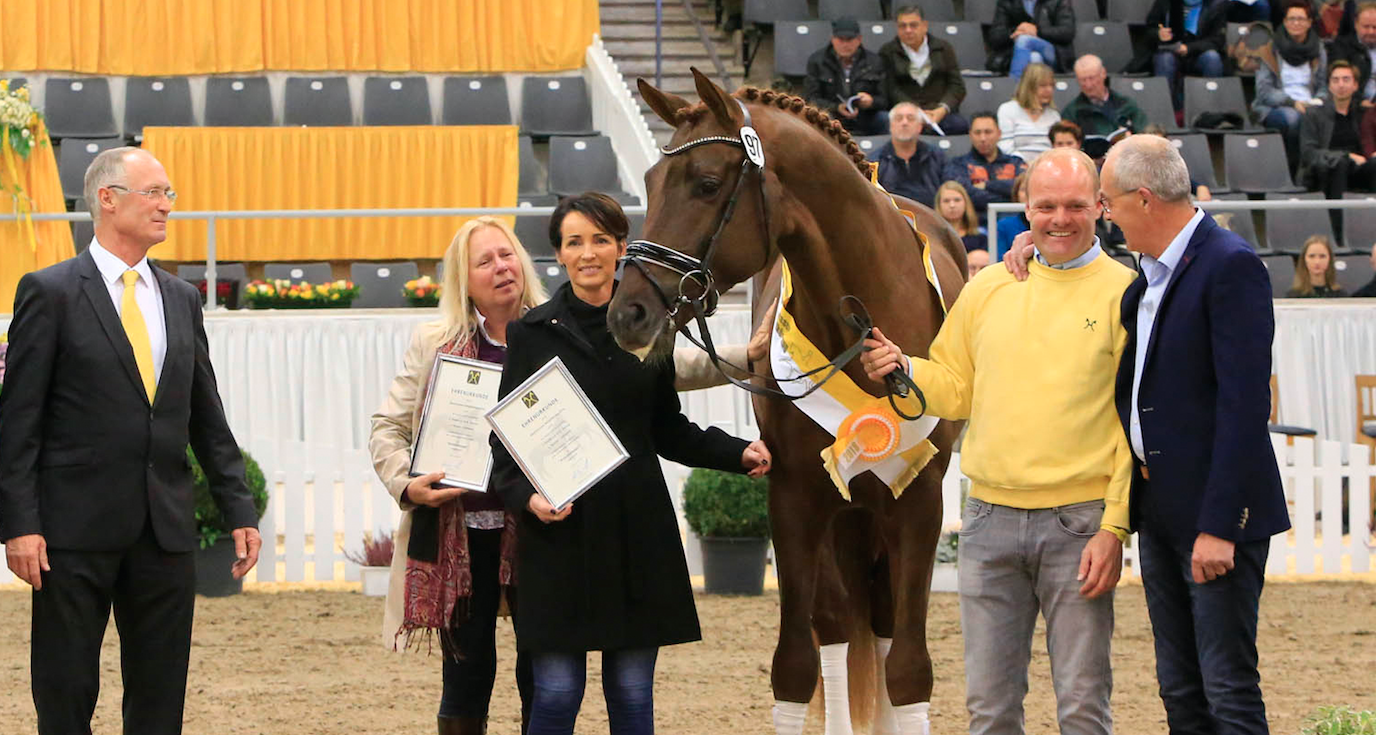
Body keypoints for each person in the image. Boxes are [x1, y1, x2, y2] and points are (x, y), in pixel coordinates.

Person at [369, 217, 767, 734]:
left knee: (543, 679)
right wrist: (406, 482)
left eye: (507, 254)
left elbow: (668, 370)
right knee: (466, 671)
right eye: (484, 261)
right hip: (462, 530)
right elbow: (388, 426)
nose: (501, 268)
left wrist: (745, 357)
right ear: (462, 279)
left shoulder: (558, 326)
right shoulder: (437, 342)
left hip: (537, 528)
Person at [1007, 134, 1290, 734]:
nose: (1103, 215)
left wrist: (1219, 525)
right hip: (1160, 507)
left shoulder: (1230, 265)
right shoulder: (1148, 275)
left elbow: (1244, 409)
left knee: (1227, 684)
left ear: (1142, 200)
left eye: (1105, 202)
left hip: (1213, 514)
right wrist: (1034, 246)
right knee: (1181, 686)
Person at [861, 147, 1133, 735]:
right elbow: (955, 388)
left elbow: (1130, 427)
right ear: (1024, 209)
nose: (1060, 218)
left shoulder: (1125, 295)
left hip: (1080, 525)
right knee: (988, 710)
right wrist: (901, 366)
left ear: (1100, 208)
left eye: (1074, 206)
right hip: (988, 521)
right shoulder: (988, 288)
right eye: (1046, 206)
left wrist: (1113, 527)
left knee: (1084, 709)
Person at [0, 147, 263, 735]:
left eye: (169, 194)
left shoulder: (181, 298)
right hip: (71, 536)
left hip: (164, 533)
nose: (167, 206)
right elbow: (18, 423)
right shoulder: (51, 292)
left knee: (159, 699)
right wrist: (20, 524)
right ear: (107, 199)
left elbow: (206, 416)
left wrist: (237, 507)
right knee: (65, 695)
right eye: (155, 193)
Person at [489, 192, 771, 734]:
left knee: (632, 696)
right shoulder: (530, 334)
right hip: (559, 535)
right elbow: (506, 445)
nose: (588, 253)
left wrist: (736, 452)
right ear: (558, 255)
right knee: (554, 694)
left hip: (636, 534)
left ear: (622, 248)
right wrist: (528, 500)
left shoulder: (649, 324)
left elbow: (667, 428)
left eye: (601, 240)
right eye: (575, 242)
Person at [1300, 60, 1376, 239]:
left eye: (1346, 79)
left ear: (1355, 85)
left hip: (1357, 170)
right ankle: (1339, 236)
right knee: (1340, 164)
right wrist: (1345, 155)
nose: (1341, 85)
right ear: (1329, 85)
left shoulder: (1362, 114)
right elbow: (1308, 153)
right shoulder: (1314, 114)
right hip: (1324, 171)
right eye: (1335, 80)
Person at [1253, 0, 1328, 170]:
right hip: (1277, 107)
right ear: (1285, 22)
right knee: (1294, 119)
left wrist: (1317, 101)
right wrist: (1292, 103)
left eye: (1301, 19)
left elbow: (1323, 86)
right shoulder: (1268, 48)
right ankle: (1293, 170)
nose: (1296, 23)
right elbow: (1264, 91)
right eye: (1291, 19)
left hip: (1310, 105)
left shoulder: (1318, 49)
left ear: (1309, 23)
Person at [879, 4, 970, 135]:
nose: (908, 30)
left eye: (913, 25)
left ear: (924, 26)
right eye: (902, 26)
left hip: (939, 113)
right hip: (906, 115)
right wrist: (915, 112)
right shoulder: (887, 52)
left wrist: (941, 109)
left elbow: (957, 86)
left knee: (960, 125)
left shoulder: (943, 48)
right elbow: (891, 89)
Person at [802, 16, 889, 136]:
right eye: (840, 39)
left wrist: (871, 102)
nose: (845, 44)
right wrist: (837, 107)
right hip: (832, 116)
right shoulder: (817, 61)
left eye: (849, 39)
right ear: (832, 39)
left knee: (886, 119)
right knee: (818, 119)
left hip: (866, 116)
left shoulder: (875, 62)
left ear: (859, 39)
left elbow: (884, 100)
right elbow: (811, 99)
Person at [1143, 0, 1229, 112]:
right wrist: (1158, 33)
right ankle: (1164, 112)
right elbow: (1148, 30)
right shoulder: (1165, 2)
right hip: (1170, 51)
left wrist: (1189, 48)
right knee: (1164, 60)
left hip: (1198, 53)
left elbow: (1217, 40)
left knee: (1212, 58)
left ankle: (1210, 112)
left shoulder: (1216, 5)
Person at [942, 111, 1027, 216]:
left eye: (988, 132)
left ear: (999, 134)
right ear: (970, 135)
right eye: (977, 133)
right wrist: (1007, 198)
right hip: (976, 224)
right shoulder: (958, 164)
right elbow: (966, 195)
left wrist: (986, 185)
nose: (983, 138)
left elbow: (1024, 189)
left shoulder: (1015, 162)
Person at [869, 102, 948, 207]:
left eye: (910, 118)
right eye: (899, 118)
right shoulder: (875, 161)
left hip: (931, 217)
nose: (904, 123)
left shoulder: (937, 157)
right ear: (891, 126)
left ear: (920, 127)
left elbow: (949, 191)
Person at [1060, 55, 1149, 138]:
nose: (1088, 85)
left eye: (1092, 78)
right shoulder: (1072, 112)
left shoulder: (1126, 104)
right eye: (1082, 80)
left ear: (1103, 74)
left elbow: (1144, 133)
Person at [987, 0, 1076, 77]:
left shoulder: (1058, 1)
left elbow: (1067, 31)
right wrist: (1016, 31)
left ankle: (1015, 86)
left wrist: (1037, 31)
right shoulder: (1008, 2)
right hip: (1015, 53)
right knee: (1034, 58)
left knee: (1024, 40)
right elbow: (995, 36)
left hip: (1054, 52)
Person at [997, 62, 1061, 163]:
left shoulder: (1054, 116)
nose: (1049, 90)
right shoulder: (1007, 110)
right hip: (1016, 167)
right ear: (1029, 87)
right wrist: (1023, 164)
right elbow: (1004, 145)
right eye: (1043, 86)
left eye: (1051, 85)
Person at [1325, 1, 1376, 105]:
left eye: (1375, 27)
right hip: (1357, 105)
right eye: (1366, 27)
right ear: (1356, 25)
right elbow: (1339, 83)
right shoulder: (1341, 47)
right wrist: (1359, 102)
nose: (1371, 32)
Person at [936, 180, 989, 252]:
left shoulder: (981, 238)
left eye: (957, 200)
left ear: (966, 203)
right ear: (939, 205)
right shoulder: (932, 238)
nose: (952, 205)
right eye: (946, 201)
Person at [995, 171, 1032, 257]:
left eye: (1031, 189)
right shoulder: (1003, 225)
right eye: (1023, 190)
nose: (1027, 194)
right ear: (1016, 194)